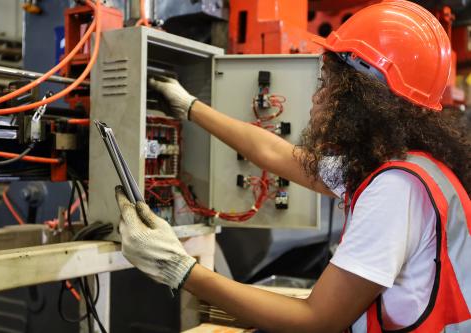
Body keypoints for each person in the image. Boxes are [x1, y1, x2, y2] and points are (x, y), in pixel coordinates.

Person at [115, 1, 471, 332]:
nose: (317, 96)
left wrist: (180, 269)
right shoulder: (413, 167)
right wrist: (190, 106)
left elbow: (319, 320)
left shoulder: (395, 189)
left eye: (327, 84)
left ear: (362, 98)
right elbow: (279, 155)